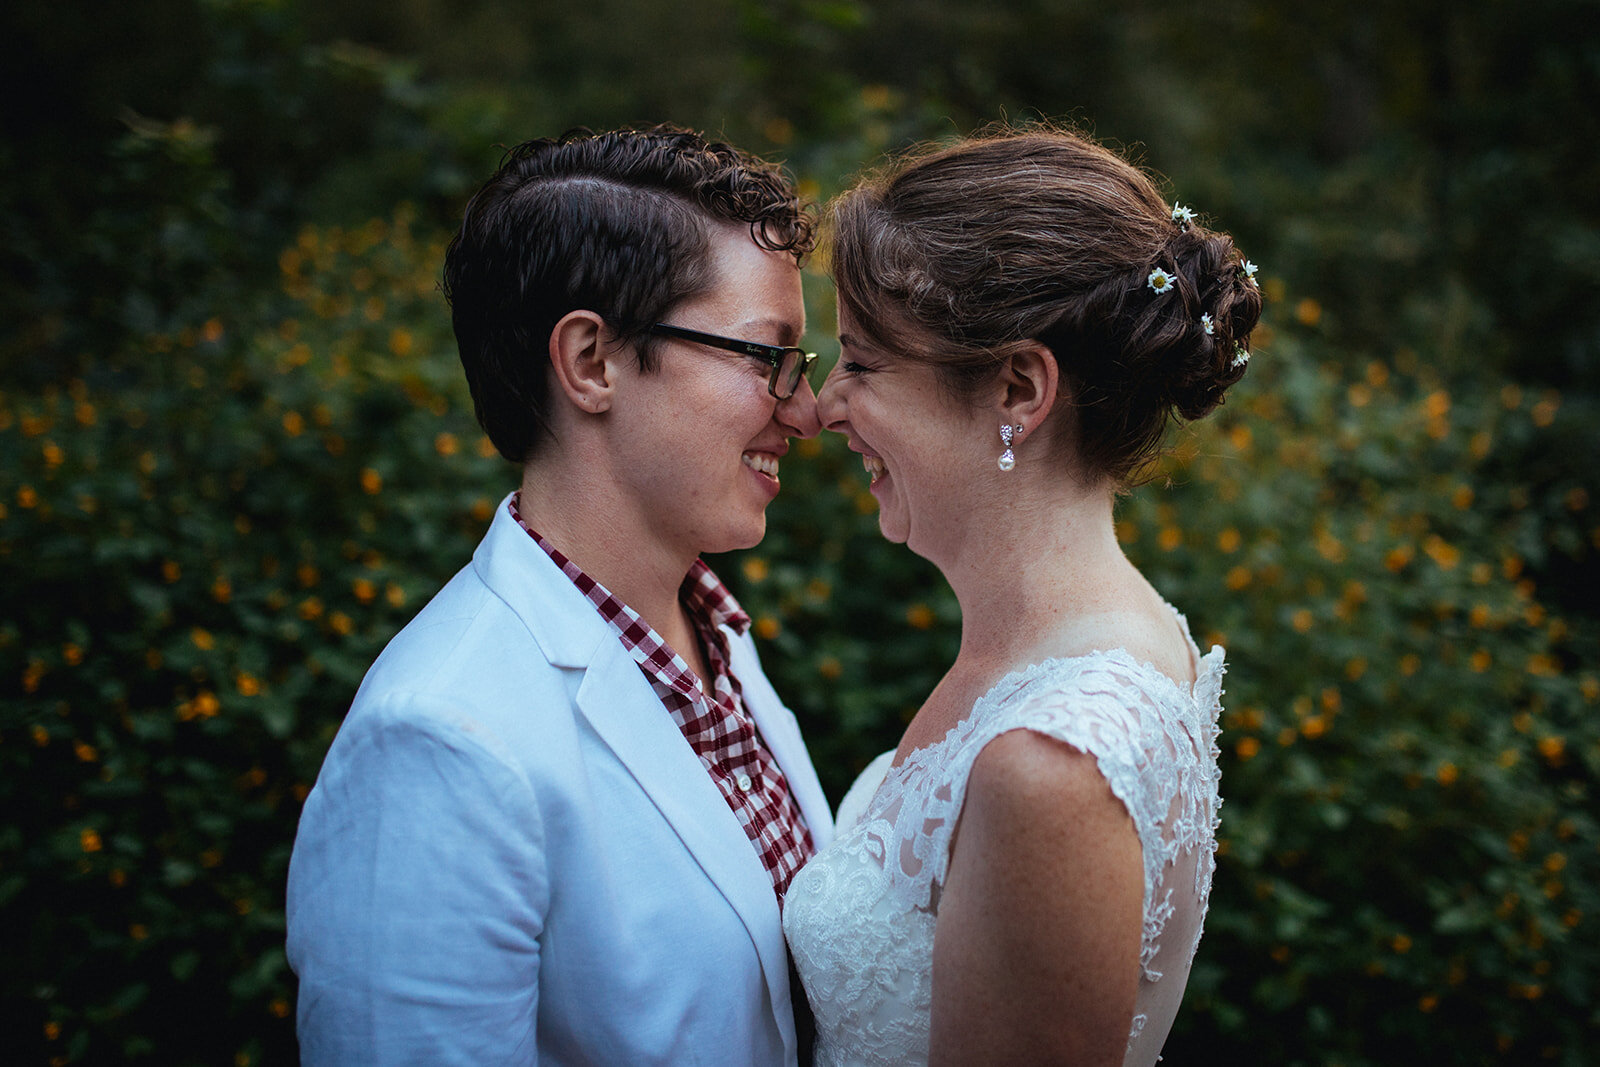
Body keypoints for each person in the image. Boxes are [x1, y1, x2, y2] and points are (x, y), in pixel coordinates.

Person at [287, 126, 834, 1065]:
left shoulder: (718, 641)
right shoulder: (439, 737)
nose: (806, 409)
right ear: (591, 362)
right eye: (763, 356)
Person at [782, 125, 1263, 1066]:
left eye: (866, 363)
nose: (823, 405)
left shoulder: (1052, 765)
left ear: (1017, 386)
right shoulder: (1079, 640)